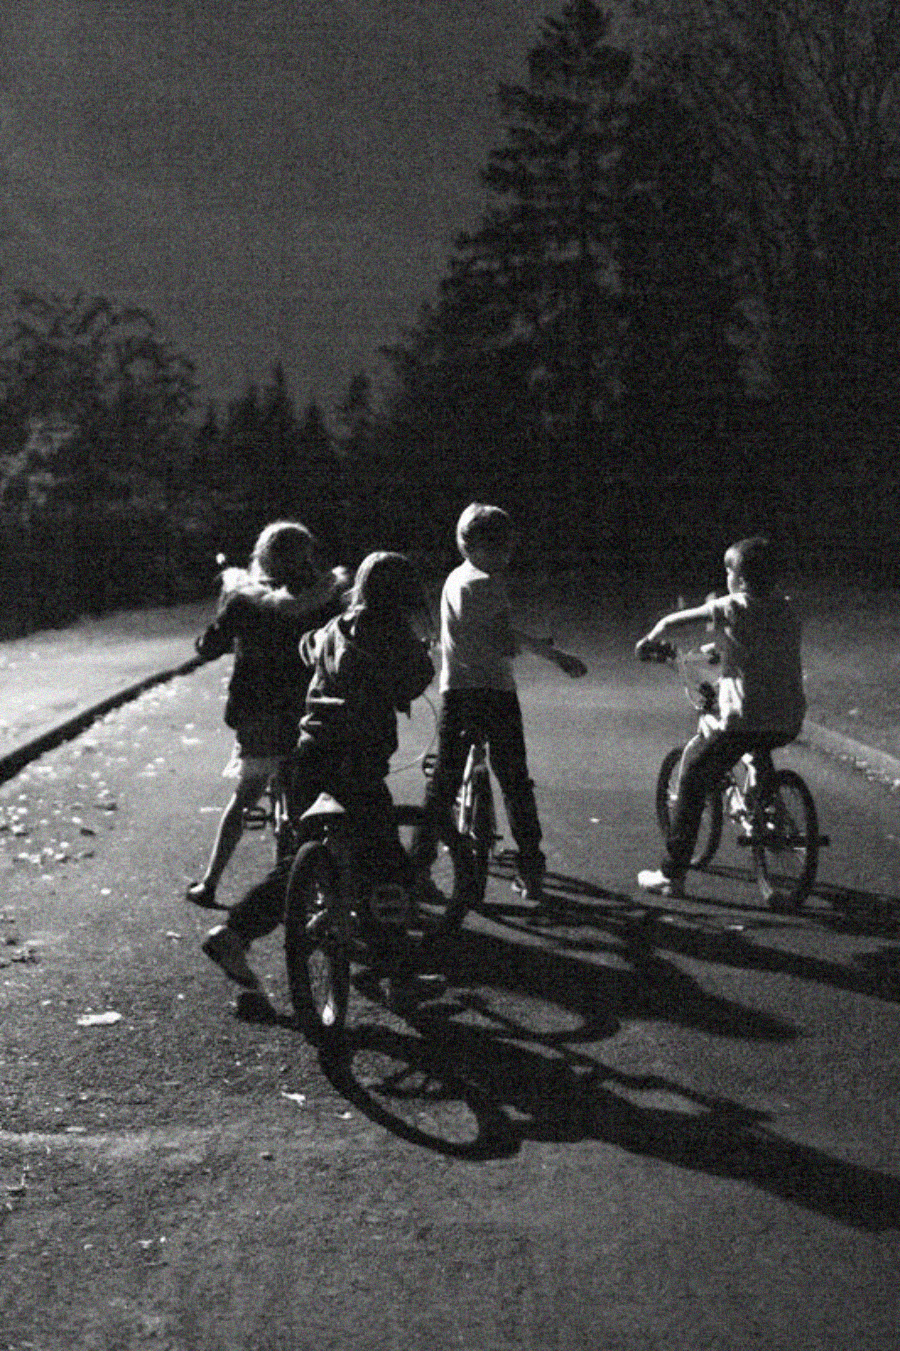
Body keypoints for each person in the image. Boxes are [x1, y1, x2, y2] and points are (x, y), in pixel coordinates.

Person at [201, 551, 436, 991]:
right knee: (388, 866)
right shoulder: (394, 634)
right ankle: (399, 975)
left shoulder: (334, 628)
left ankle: (233, 933)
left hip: (309, 755)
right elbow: (414, 679)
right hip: (357, 761)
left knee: (302, 856)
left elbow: (306, 648)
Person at [411, 502, 586, 904]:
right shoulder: (483, 585)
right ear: (473, 546)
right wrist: (556, 656)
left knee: (444, 781)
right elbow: (503, 638)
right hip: (493, 691)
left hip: (457, 689)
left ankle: (417, 869)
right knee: (514, 781)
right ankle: (530, 868)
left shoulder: (456, 579)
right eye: (499, 548)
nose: (505, 556)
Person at [186, 520, 350, 909]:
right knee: (307, 800)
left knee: (244, 798)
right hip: (310, 712)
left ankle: (210, 883)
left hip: (258, 714)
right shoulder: (328, 598)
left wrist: (222, 615)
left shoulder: (245, 601)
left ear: (263, 558)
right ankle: (315, 885)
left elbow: (209, 647)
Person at [634, 535, 806, 898]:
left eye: (729, 571)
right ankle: (767, 801)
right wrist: (719, 650)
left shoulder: (733, 607)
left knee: (694, 771)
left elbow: (674, 622)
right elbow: (759, 642)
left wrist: (650, 638)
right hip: (789, 718)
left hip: (744, 719)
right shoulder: (788, 608)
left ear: (740, 580)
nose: (726, 578)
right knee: (761, 742)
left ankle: (672, 874)